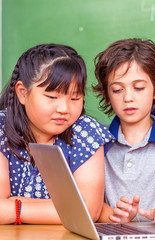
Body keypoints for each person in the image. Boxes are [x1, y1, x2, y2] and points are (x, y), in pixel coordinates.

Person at [0, 44, 114, 224]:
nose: (64, 109)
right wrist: (65, 208)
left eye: (75, 98)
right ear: (22, 93)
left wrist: (16, 206)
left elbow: (87, 212)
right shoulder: (2, 127)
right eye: (52, 97)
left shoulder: (86, 132)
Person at [93, 38, 155, 227]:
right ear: (106, 95)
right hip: (112, 232)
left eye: (138, 88)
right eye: (117, 89)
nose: (128, 98)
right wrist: (116, 216)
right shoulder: (97, 139)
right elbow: (91, 204)